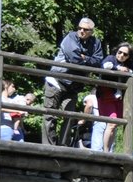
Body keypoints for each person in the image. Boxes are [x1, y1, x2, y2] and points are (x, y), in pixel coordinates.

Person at [42, 17, 104, 146]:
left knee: (70, 117)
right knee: (49, 116)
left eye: (85, 29)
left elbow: (98, 61)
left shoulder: (96, 43)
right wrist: (89, 60)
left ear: (91, 31)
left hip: (73, 86)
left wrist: (84, 58)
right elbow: (74, 59)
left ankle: (63, 146)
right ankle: (48, 146)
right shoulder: (70, 38)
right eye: (79, 28)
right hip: (56, 81)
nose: (81, 31)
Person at [92, 42, 133, 153]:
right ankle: (106, 151)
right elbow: (105, 65)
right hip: (106, 96)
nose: (121, 55)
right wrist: (118, 68)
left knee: (115, 124)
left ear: (129, 56)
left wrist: (130, 71)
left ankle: (109, 151)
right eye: (120, 52)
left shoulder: (129, 64)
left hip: (119, 99)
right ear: (116, 51)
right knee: (112, 123)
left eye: (125, 54)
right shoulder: (110, 58)